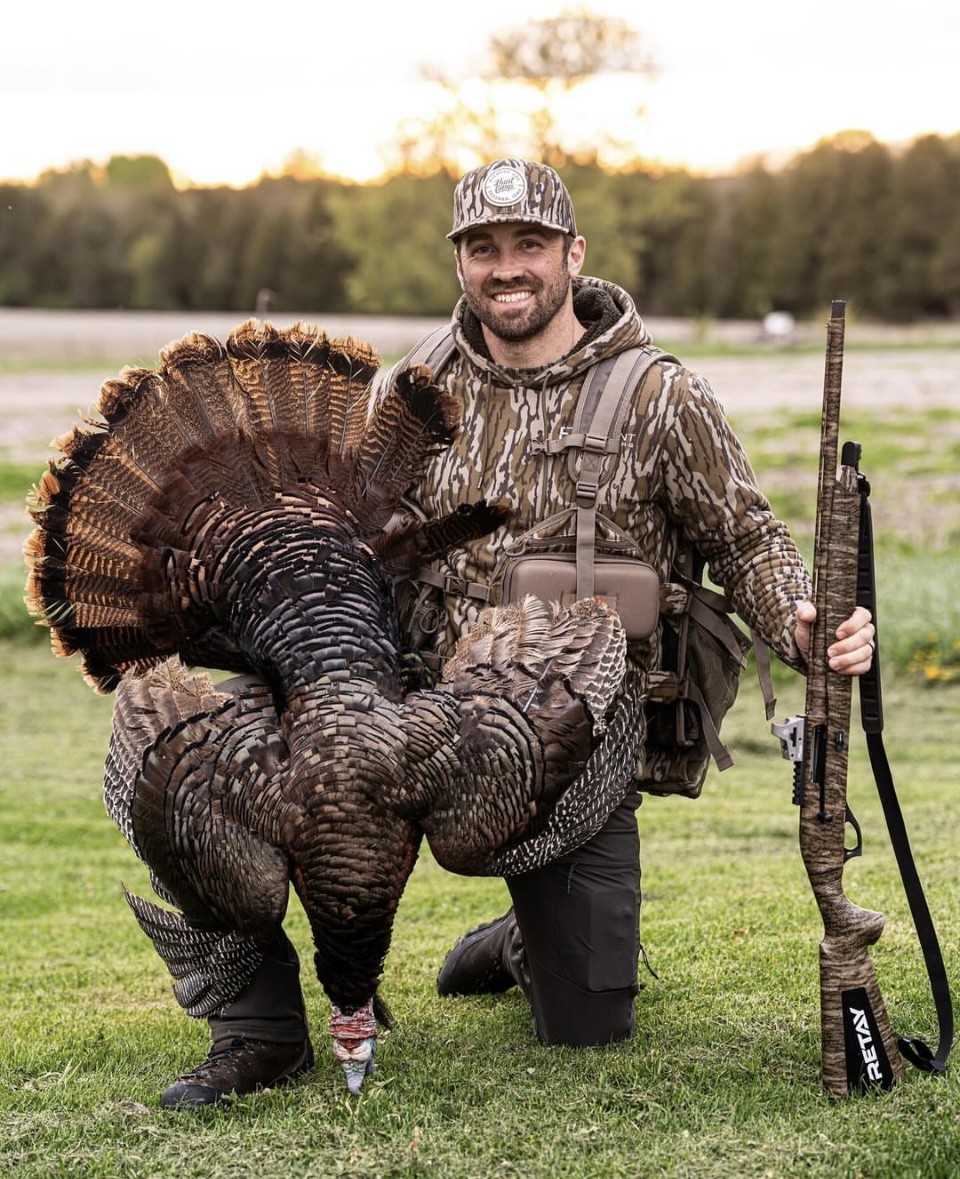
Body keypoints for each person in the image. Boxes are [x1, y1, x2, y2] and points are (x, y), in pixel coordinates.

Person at [158, 158, 876, 1106]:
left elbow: (744, 535)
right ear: (460, 263)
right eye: (483, 248)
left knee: (589, 1026)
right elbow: (346, 542)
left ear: (572, 254)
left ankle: (521, 940)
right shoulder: (416, 388)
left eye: (529, 245)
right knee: (201, 751)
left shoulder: (660, 397)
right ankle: (260, 1028)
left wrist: (800, 615)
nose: (507, 267)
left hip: (568, 740)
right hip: (402, 714)